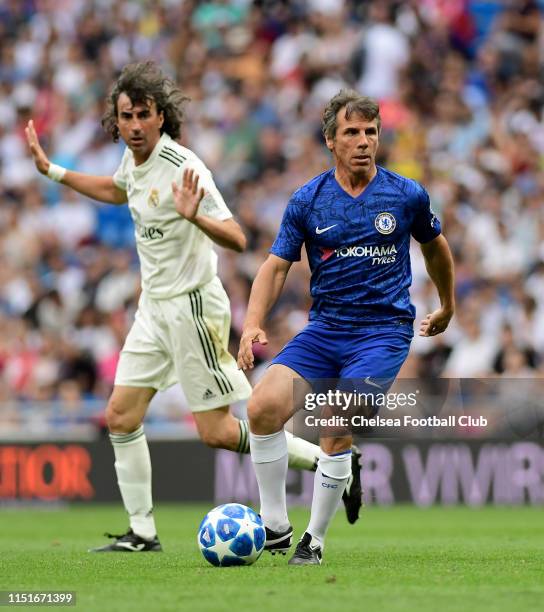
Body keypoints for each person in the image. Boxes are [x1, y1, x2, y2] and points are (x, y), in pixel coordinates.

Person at [25, 61, 340, 552]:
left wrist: (196, 218)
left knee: (215, 432)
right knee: (120, 416)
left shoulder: (184, 167)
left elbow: (236, 238)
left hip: (193, 306)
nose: (133, 125)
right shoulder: (134, 160)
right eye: (125, 115)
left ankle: (328, 464)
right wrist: (54, 172)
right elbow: (118, 188)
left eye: (142, 115)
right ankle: (142, 533)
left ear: (160, 116)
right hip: (153, 309)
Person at [238, 89, 455, 565]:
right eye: (352, 132)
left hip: (382, 331)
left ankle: (313, 542)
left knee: (335, 419)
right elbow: (276, 267)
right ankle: (274, 526)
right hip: (326, 329)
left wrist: (447, 305)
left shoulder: (405, 194)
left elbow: (436, 247)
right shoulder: (308, 200)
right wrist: (253, 322)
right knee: (261, 407)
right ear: (330, 141)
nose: (363, 141)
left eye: (371, 132)